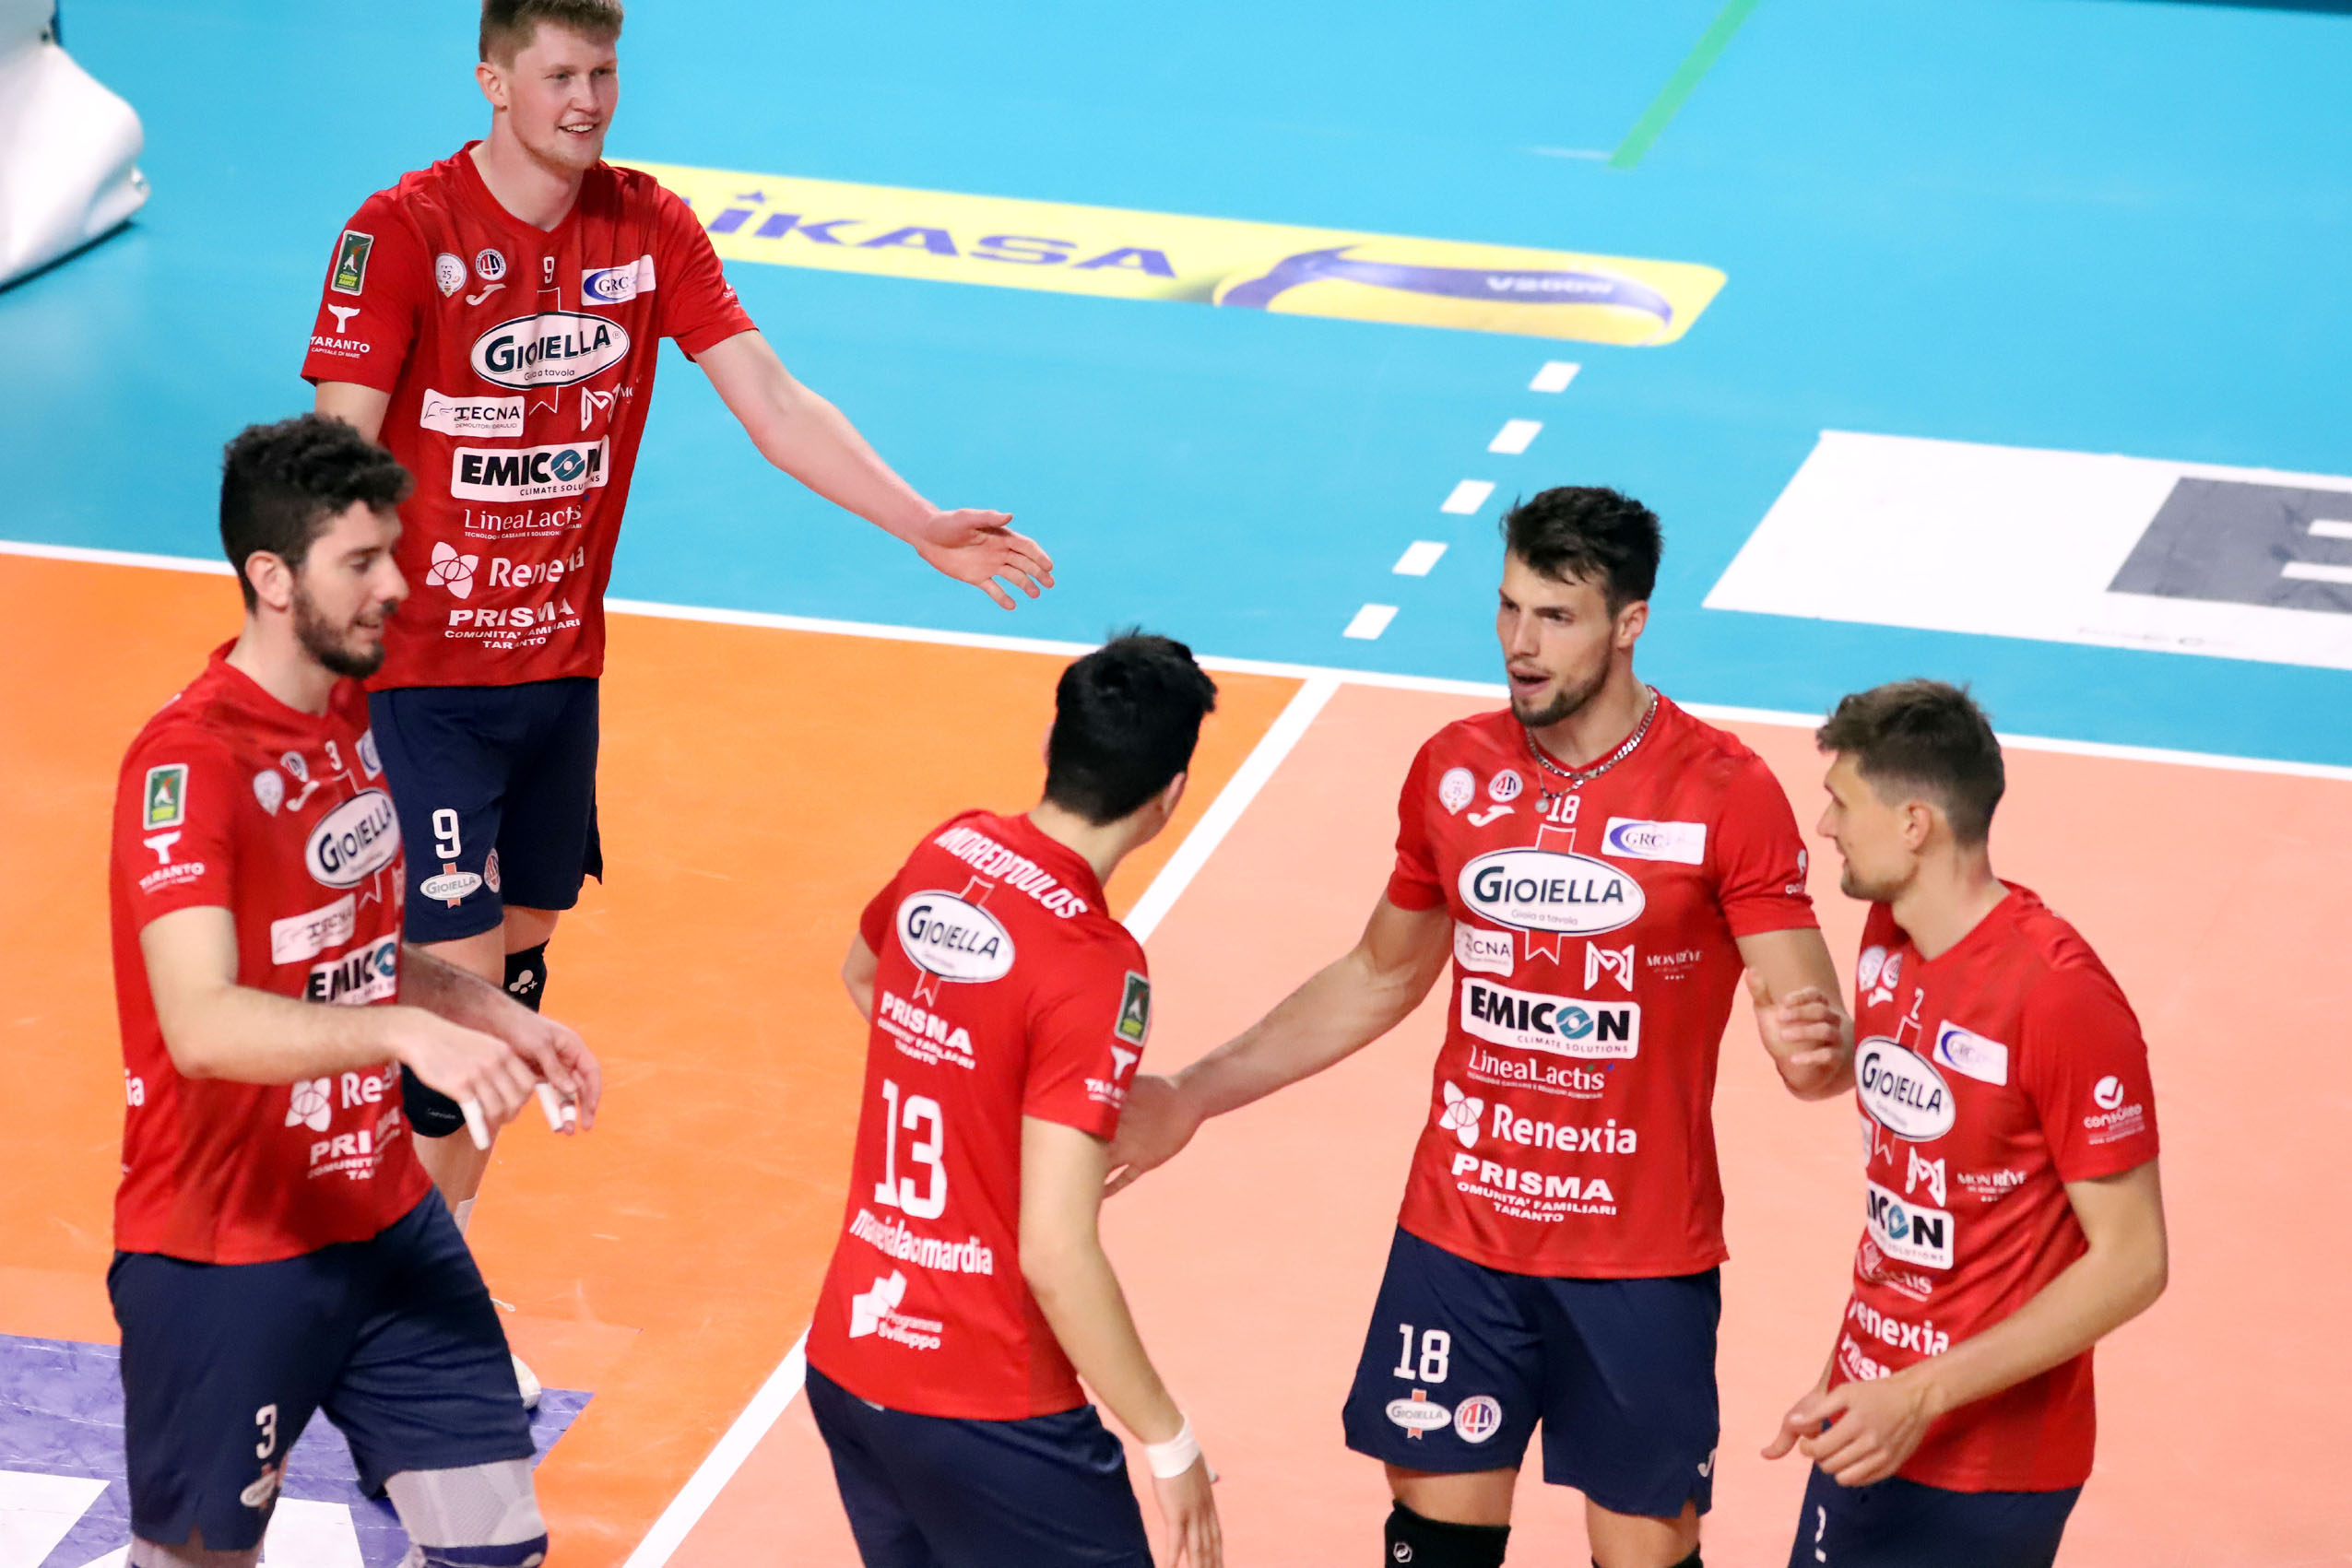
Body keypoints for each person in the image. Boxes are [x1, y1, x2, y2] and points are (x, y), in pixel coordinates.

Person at [300, 0, 1051, 1255]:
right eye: (558, 76)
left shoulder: (647, 226)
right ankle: (400, 1299)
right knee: (464, 1005)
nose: (586, 102)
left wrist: (915, 521)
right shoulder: (404, 231)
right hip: (419, 679)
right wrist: (309, 659)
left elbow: (772, 399)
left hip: (559, 674)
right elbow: (336, 456)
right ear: (493, 80)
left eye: (602, 73)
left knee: (516, 979)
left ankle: (436, 1254)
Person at [1109, 487, 1855, 1568]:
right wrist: (1190, 1094)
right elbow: (1380, 973)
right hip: (1460, 1239)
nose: (1519, 643)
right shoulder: (1453, 770)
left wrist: (1814, 1055)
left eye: (1555, 617)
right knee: (1434, 1541)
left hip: (1638, 1255)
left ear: (1630, 623)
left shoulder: (1724, 792)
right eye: (1508, 607)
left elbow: (1811, 1030)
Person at [107, 414, 602, 1566]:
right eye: (362, 562)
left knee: (497, 1547)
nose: (397, 585)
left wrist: (485, 1008)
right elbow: (201, 1023)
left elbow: (350, 945)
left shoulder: (346, 712)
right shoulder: (190, 765)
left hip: (383, 1216)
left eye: (394, 553)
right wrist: (401, 1034)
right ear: (272, 577)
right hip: (226, 1250)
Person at [803, 634, 1223, 1568]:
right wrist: (1169, 1440)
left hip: (851, 1360)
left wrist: (973, 1087)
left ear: (1049, 742)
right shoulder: (1095, 967)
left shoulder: (949, 848)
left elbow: (865, 976)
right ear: (1169, 797)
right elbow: (1054, 1253)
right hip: (989, 1404)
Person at [1757, 680, 2167, 1568]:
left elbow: (2133, 1260)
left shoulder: (2058, 995)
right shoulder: (1887, 933)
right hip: (1865, 1414)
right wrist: (1818, 1054)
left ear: (1915, 823)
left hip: (1987, 1468)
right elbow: (1929, 1105)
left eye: (1842, 803)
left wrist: (1919, 1394)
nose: (1824, 826)